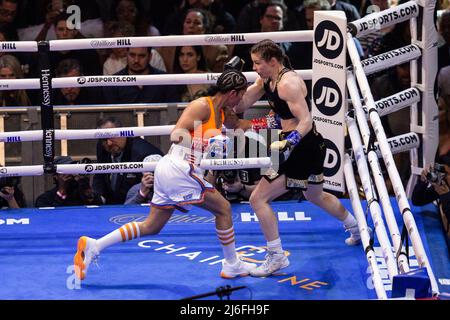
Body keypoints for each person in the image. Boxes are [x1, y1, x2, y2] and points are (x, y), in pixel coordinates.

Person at [74, 68, 257, 281]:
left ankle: (96, 244)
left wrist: (269, 123)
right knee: (224, 209)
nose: (241, 101)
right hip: (179, 168)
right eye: (241, 95)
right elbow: (176, 134)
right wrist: (209, 140)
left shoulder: (224, 112)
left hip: (176, 170)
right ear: (233, 93)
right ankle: (232, 264)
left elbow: (239, 126)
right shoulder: (201, 105)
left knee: (151, 227)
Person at [234, 39, 361, 277]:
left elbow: (306, 120)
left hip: (300, 146)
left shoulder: (288, 84)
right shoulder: (266, 79)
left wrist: (289, 142)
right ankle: (358, 228)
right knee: (315, 195)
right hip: (299, 146)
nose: (255, 67)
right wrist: (228, 90)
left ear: (272, 61)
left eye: (258, 63)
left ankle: (277, 257)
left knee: (257, 199)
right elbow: (242, 104)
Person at [93, 116, 163, 205]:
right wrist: (97, 197)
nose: (109, 143)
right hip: (110, 206)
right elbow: (100, 174)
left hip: (135, 208)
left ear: (123, 132)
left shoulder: (143, 152)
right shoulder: (102, 146)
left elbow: (154, 191)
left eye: (112, 137)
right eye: (104, 139)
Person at [102, 47, 180, 104]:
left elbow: (172, 113)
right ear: (126, 55)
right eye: (132, 55)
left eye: (142, 56)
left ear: (150, 57)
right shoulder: (113, 82)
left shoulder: (165, 80)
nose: (136, 60)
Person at [35, 156, 103, 207]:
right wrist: (62, 191)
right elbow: (51, 218)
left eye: (71, 169)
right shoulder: (45, 199)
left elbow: (99, 208)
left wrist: (85, 187)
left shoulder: (81, 193)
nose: (69, 173)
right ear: (55, 176)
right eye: (64, 170)